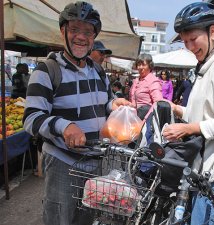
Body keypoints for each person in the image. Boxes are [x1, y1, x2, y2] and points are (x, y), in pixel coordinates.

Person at [23, 2, 132, 225]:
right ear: (63, 31)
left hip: (97, 161)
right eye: (74, 30)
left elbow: (105, 103)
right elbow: (31, 117)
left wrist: (115, 105)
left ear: (94, 37)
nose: (81, 37)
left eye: (87, 32)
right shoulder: (47, 70)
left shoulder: (98, 70)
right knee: (60, 218)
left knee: (88, 217)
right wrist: (64, 126)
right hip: (64, 162)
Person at [163, 2, 214, 225]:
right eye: (185, 41)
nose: (189, 46)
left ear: (212, 32)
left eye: (193, 39)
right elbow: (204, 112)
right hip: (197, 170)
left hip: (212, 176)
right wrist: (177, 109)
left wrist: (188, 128)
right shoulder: (206, 65)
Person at [129, 53, 163, 120]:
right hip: (134, 117)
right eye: (139, 65)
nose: (141, 67)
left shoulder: (153, 81)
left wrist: (145, 119)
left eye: (143, 65)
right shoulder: (136, 80)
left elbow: (158, 103)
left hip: (145, 119)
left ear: (150, 66)